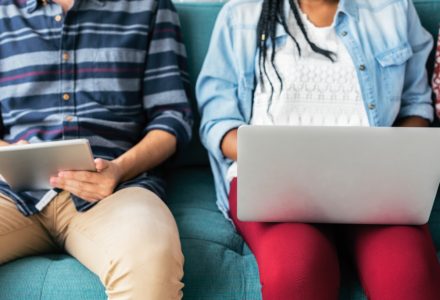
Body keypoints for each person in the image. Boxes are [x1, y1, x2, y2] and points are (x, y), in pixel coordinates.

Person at [197, 0, 440, 299]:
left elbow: (417, 105)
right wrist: (273, 158)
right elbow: (218, 123)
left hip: (374, 185)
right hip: (276, 186)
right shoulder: (240, 15)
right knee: (297, 275)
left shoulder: (393, 9)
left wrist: (391, 156)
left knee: (409, 278)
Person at [0, 0, 192, 299]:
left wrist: (119, 169)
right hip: (12, 191)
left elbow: (172, 117)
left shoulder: (150, 6)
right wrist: (7, 153)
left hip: (117, 188)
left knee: (150, 261)